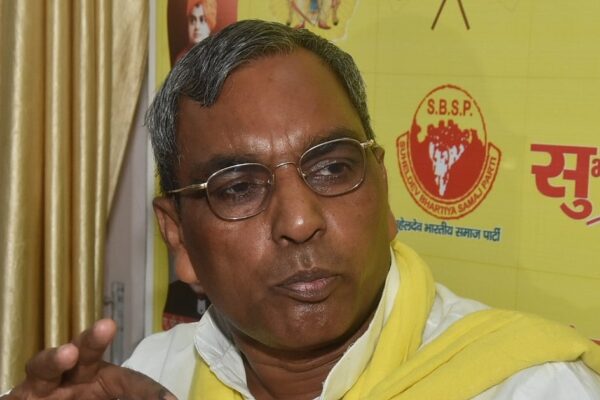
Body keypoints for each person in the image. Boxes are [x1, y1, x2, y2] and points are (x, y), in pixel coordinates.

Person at [4, 19, 600, 400]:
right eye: (238, 187)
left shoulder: (531, 388)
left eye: (333, 168)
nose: (298, 220)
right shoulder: (160, 374)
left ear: (384, 191)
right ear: (178, 237)